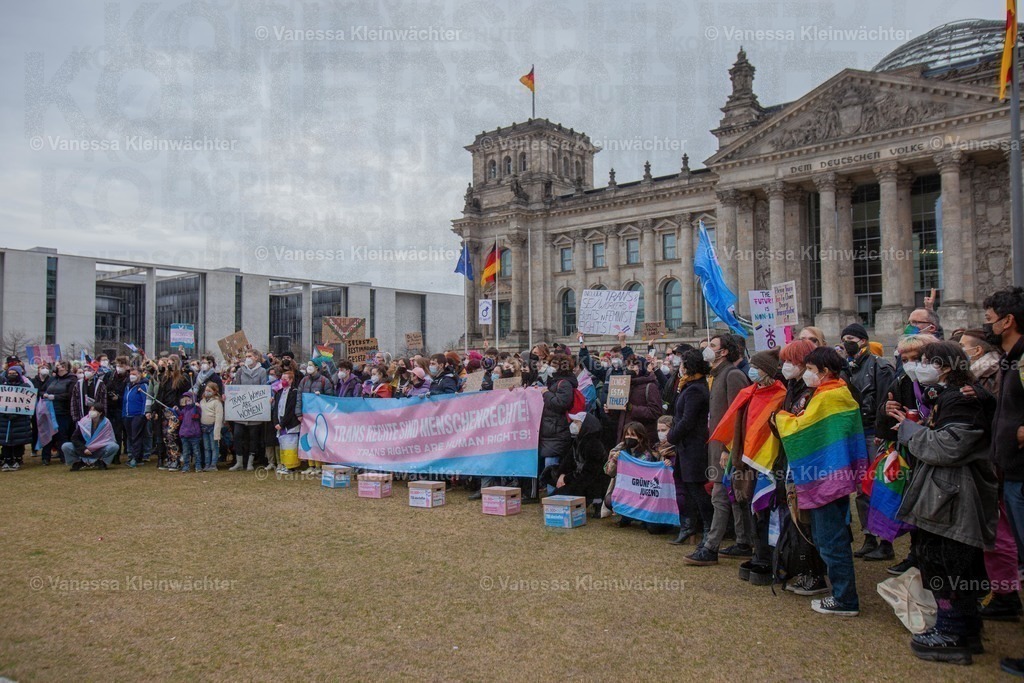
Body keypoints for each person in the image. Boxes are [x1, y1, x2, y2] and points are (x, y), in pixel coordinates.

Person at [887, 341, 997, 665]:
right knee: (941, 561)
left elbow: (947, 448)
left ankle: (954, 632)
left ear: (946, 366)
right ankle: (962, 627)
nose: (918, 366)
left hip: (953, 496)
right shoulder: (950, 395)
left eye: (924, 360)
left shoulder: (964, 398)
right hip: (945, 494)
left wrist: (909, 431)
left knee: (949, 565)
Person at [774, 347, 868, 617]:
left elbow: (802, 429)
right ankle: (841, 594)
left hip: (827, 479)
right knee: (829, 537)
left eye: (812, 370)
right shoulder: (834, 392)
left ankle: (845, 599)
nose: (808, 374)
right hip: (829, 475)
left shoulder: (831, 396)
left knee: (831, 540)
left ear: (825, 371)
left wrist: (781, 417)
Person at [700, 350, 787, 581]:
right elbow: (737, 424)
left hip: (766, 462)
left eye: (757, 367)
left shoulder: (780, 395)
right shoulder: (750, 393)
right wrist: (730, 450)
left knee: (764, 509)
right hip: (744, 459)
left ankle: (768, 557)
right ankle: (758, 553)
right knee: (748, 504)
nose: (752, 371)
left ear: (766, 371)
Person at [981, 287, 1024, 676]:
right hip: (1008, 469)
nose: (987, 326)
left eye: (991, 318)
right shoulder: (1011, 360)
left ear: (1008, 320)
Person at [874, 334, 938, 576]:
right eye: (906, 358)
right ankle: (915, 555)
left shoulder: (940, 383)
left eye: (917, 358)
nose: (911, 364)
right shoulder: (902, 380)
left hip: (935, 455)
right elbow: (884, 421)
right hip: (910, 454)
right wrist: (886, 410)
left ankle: (929, 560)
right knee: (912, 507)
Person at [774, 339, 830, 596]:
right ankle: (803, 568)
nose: (786, 366)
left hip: (807, 464)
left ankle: (815, 573)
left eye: (790, 362)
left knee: (807, 520)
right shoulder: (793, 387)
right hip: (791, 459)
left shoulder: (813, 392)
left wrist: (782, 421)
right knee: (796, 516)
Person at [841, 322, 896, 561]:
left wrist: (884, 434)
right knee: (862, 489)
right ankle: (869, 535)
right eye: (844, 338)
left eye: (851, 338)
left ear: (863, 340)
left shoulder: (880, 367)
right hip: (856, 432)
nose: (846, 342)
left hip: (875, 432)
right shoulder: (846, 368)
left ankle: (886, 541)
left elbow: (886, 401)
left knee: (879, 486)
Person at [697, 334, 752, 565]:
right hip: (718, 446)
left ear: (724, 352)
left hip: (727, 449)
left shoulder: (733, 375)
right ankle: (743, 541)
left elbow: (739, 415)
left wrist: (729, 449)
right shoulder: (717, 375)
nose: (707, 349)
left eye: (712, 345)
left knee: (720, 495)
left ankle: (710, 547)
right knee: (732, 497)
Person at [666, 348, 710, 546]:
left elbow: (687, 420)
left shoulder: (696, 389)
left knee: (696, 490)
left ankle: (708, 530)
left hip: (694, 447)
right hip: (685, 446)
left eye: (683, 364)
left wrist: (671, 436)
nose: (680, 367)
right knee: (684, 488)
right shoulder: (687, 386)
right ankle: (688, 526)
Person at [547, 410, 608, 508]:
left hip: (590, 481)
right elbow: (568, 460)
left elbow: (590, 472)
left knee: (559, 498)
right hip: (578, 477)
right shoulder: (578, 440)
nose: (573, 424)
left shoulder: (594, 445)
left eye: (576, 422)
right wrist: (562, 474)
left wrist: (567, 479)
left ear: (585, 426)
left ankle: (594, 501)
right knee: (549, 475)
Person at [605, 421, 657, 527]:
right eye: (627, 434)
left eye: (633, 435)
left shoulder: (647, 455)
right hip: (624, 489)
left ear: (641, 438)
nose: (629, 437)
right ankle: (626, 517)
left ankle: (641, 517)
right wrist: (614, 460)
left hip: (641, 492)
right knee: (609, 500)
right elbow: (609, 473)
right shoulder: (620, 449)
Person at [230, 349, 269, 471]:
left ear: (256, 357)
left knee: (253, 437)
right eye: (246, 356)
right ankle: (239, 461)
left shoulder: (262, 371)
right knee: (237, 435)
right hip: (241, 409)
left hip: (255, 409)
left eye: (250, 356)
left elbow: (264, 388)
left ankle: (250, 463)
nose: (247, 358)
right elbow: (235, 387)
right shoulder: (241, 371)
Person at [615, 356, 663, 445]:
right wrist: (610, 409)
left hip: (642, 440)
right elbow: (620, 415)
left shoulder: (650, 386)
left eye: (633, 366)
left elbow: (655, 412)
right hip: (624, 437)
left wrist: (632, 408)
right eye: (629, 366)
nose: (630, 369)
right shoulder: (624, 385)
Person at [156, 356, 191, 471]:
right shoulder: (165, 379)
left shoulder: (182, 378)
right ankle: (170, 458)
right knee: (166, 436)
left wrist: (180, 405)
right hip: (164, 410)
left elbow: (185, 393)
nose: (169, 365)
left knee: (171, 434)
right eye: (168, 363)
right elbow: (160, 394)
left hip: (175, 411)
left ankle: (176, 459)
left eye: (171, 363)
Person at [62, 405, 119, 470]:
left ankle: (102, 462)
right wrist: (84, 449)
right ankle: (77, 462)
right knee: (66, 446)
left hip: (98, 449)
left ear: (100, 413)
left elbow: (109, 438)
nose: (91, 412)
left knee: (114, 446)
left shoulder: (106, 423)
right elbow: (74, 438)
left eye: (94, 410)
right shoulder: (84, 422)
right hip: (83, 449)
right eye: (90, 410)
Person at [41, 360, 75, 464]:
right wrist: (44, 394)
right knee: (48, 434)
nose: (58, 367)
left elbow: (70, 395)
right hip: (50, 411)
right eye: (57, 366)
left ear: (65, 367)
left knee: (62, 435)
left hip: (63, 411)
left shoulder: (72, 379)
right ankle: (45, 457)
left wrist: (55, 397)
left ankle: (64, 457)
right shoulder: (52, 379)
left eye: (60, 365)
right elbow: (42, 389)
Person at [0, 365, 34, 471]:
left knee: (18, 440)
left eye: (14, 373)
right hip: (5, 419)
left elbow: (28, 403)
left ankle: (17, 458)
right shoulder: (3, 387)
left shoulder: (25, 386)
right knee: (5, 441)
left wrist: (17, 413)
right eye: (10, 373)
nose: (12, 375)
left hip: (20, 419)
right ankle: (7, 459)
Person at [272, 370, 301, 474]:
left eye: (285, 379)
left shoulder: (294, 392)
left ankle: (291, 466)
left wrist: (282, 424)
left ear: (291, 380)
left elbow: (290, 409)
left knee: (290, 445)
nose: (283, 381)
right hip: (280, 423)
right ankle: (284, 464)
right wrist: (276, 422)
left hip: (290, 424)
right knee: (283, 445)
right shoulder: (279, 393)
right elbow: (275, 409)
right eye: (282, 379)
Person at [958, 330, 1002, 396]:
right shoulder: (973, 373)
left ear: (977, 350)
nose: (958, 350)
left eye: (962, 346)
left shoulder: (997, 374)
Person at [121, 367, 149, 467]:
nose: (132, 376)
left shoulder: (142, 386)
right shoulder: (128, 386)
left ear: (140, 375)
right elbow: (125, 400)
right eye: (131, 374)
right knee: (130, 437)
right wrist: (124, 413)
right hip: (127, 415)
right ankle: (135, 456)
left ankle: (135, 458)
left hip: (137, 415)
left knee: (136, 437)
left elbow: (145, 400)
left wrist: (143, 414)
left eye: (134, 374)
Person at [199, 381, 224, 471]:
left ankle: (213, 464)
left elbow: (219, 417)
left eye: (209, 390)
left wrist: (217, 431)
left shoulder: (217, 402)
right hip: (204, 427)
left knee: (214, 447)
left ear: (214, 391)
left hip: (213, 427)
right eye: (206, 390)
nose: (207, 392)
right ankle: (207, 463)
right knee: (206, 447)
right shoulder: (202, 401)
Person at [176, 391, 202, 472]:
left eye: (190, 400)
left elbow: (198, 416)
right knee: (185, 452)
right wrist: (177, 410)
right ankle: (186, 466)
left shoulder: (196, 409)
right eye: (186, 401)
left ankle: (198, 465)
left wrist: (197, 408)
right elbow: (180, 417)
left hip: (194, 434)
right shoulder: (184, 410)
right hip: (185, 434)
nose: (188, 402)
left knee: (196, 451)